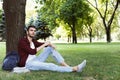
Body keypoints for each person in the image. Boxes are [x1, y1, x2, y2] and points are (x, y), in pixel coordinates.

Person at [17, 25, 86, 72]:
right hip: (28, 64)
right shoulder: (22, 41)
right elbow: (32, 51)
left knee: (50, 48)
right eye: (31, 30)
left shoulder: (33, 41)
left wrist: (50, 44)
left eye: (34, 31)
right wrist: (45, 44)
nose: (33, 32)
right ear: (27, 32)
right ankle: (74, 69)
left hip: (36, 60)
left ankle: (65, 65)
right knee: (50, 65)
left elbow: (42, 44)